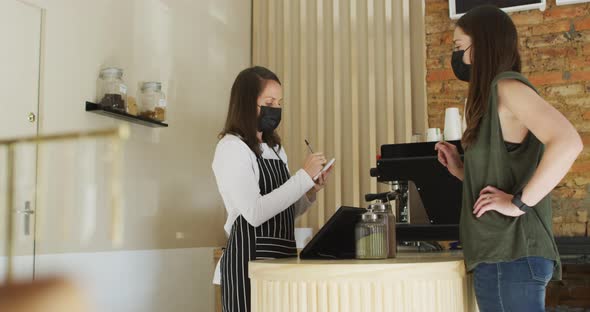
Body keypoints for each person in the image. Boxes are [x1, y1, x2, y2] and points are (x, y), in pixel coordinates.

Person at [435, 5, 583, 312]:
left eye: (458, 47)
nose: (455, 56)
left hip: (511, 256)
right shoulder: (491, 97)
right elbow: (505, 171)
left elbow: (568, 142)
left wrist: (518, 204)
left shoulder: (507, 88)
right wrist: (462, 170)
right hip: (501, 257)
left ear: (483, 45)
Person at [212, 66, 332, 312]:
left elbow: (283, 210)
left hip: (282, 258)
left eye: (279, 102)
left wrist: (310, 190)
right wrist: (302, 177)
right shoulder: (231, 148)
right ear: (246, 103)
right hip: (248, 263)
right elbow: (255, 213)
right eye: (269, 101)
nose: (275, 108)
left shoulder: (275, 149)